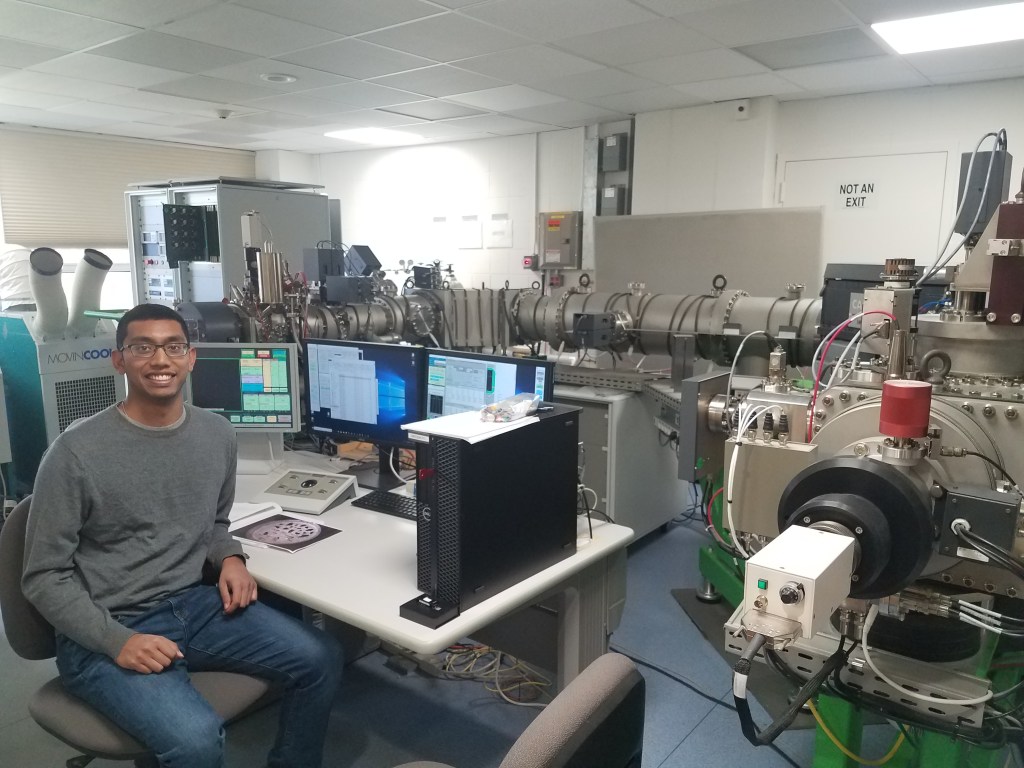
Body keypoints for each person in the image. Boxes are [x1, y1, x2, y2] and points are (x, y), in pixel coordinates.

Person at [22, 303, 342, 768]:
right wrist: (117, 641)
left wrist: (231, 558)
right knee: (194, 740)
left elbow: (214, 522)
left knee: (321, 658)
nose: (160, 360)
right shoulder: (75, 452)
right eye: (142, 348)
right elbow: (44, 577)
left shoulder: (216, 434)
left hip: (193, 606)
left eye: (173, 347)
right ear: (119, 360)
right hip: (110, 625)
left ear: (190, 358)